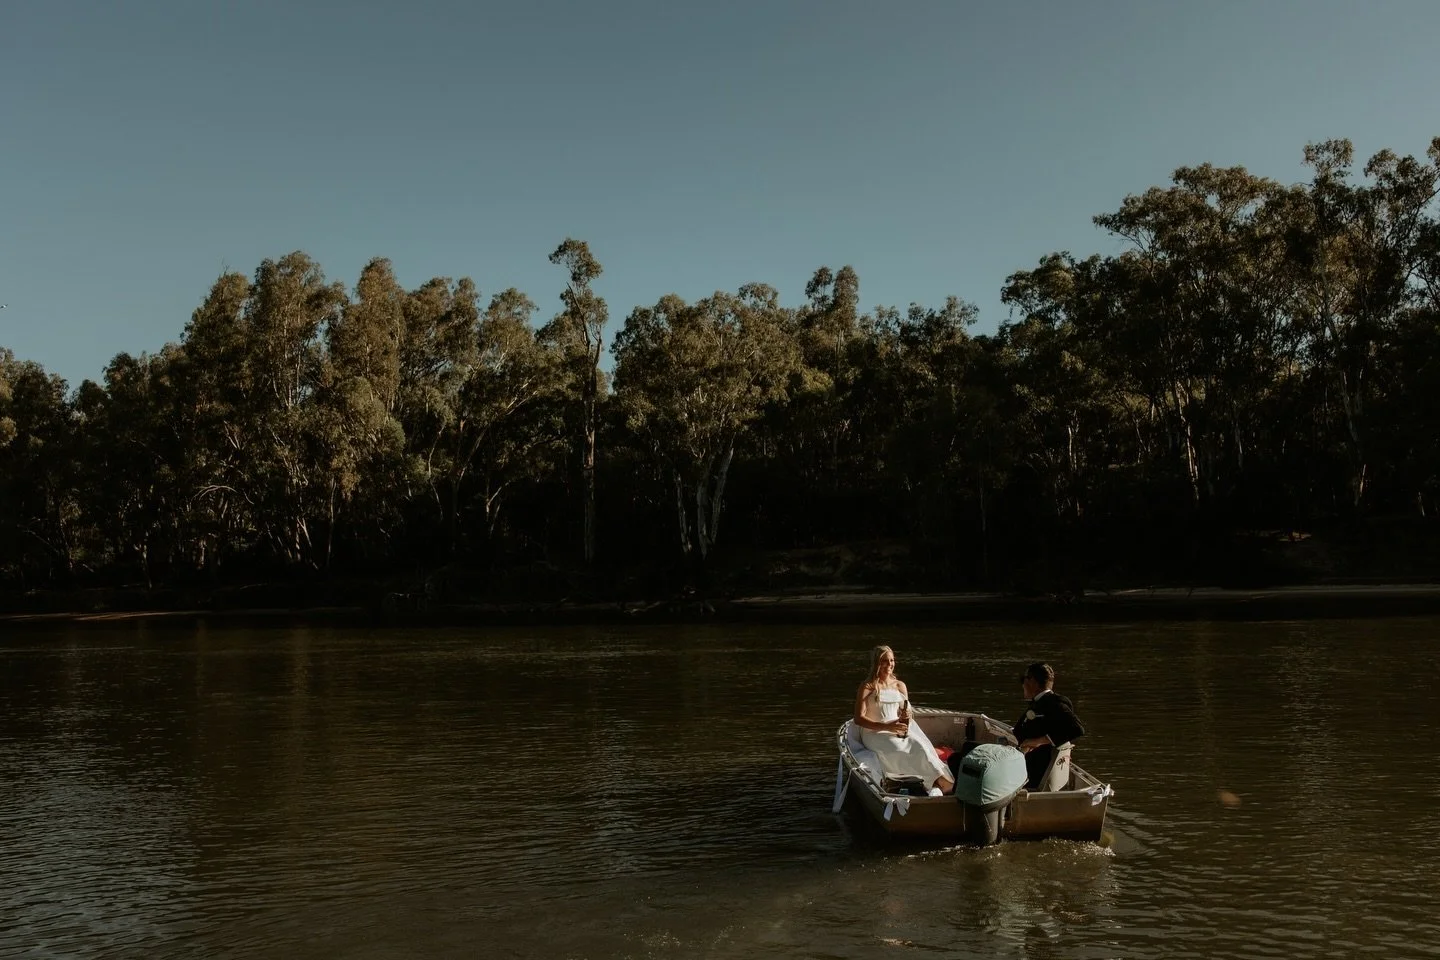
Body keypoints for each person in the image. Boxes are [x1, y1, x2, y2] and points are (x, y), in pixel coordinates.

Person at [853, 645, 955, 796]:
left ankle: (940, 783)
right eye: (885, 661)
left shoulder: (900, 685)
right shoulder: (868, 687)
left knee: (919, 746)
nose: (890, 664)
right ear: (877, 663)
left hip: (897, 729)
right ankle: (931, 784)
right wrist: (887, 727)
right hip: (874, 732)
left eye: (892, 660)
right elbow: (858, 719)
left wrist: (906, 717)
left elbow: (906, 712)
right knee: (898, 748)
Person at [1013, 662, 1085, 790]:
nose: (1022, 684)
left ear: (1033, 682)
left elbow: (1077, 728)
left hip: (1034, 772)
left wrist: (1039, 741)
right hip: (1026, 763)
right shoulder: (1039, 702)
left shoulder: (1054, 704)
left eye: (1023, 680)